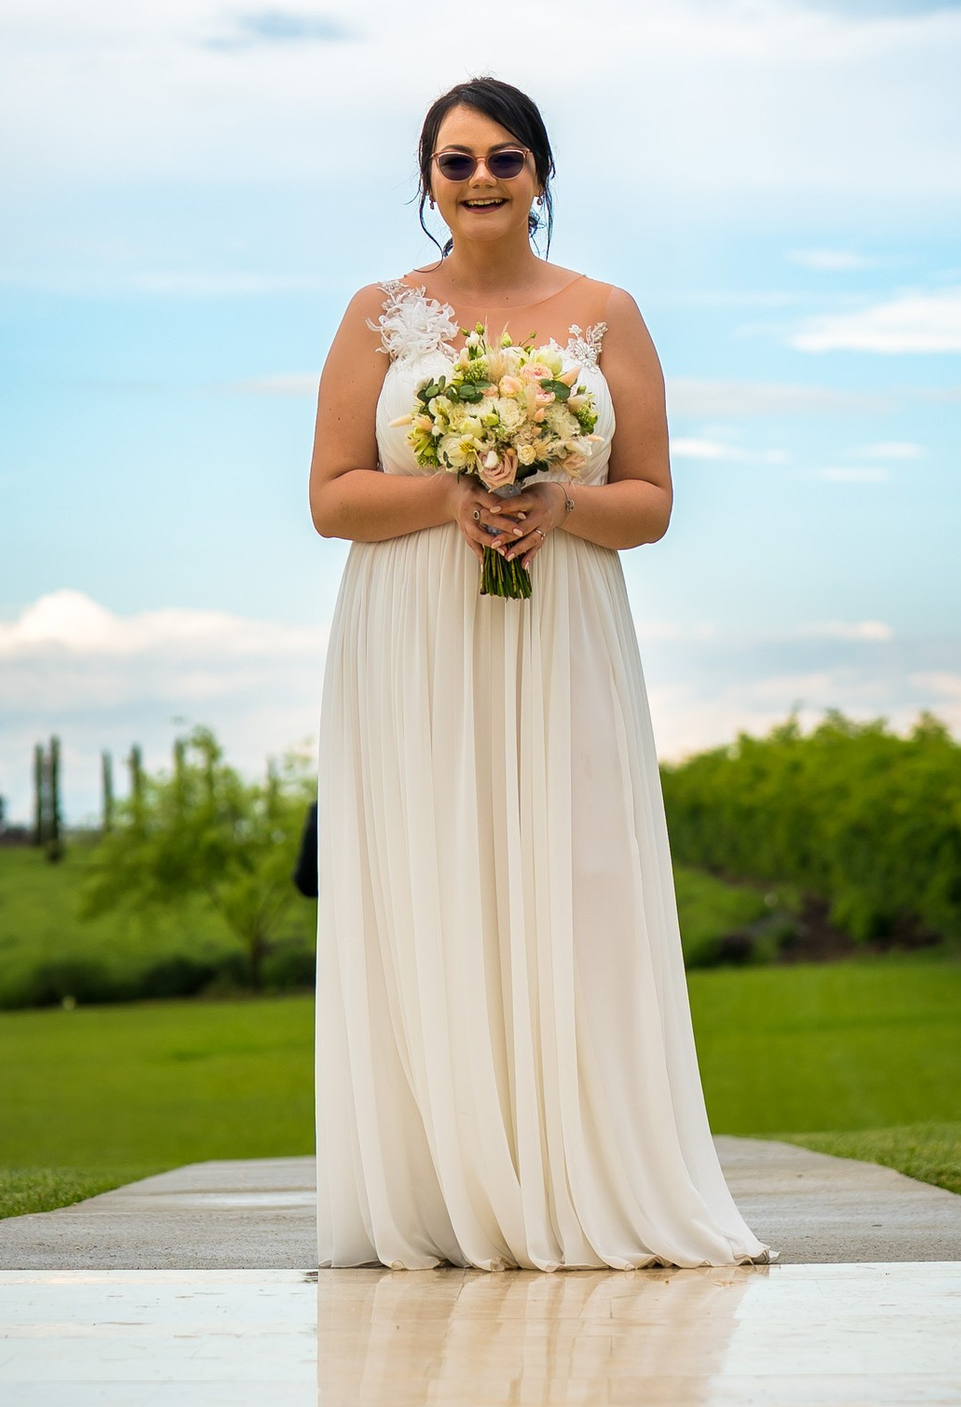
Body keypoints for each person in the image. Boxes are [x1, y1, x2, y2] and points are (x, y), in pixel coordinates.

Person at [308, 76, 765, 1270]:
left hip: (560, 622)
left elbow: (653, 501)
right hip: (414, 631)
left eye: (504, 160)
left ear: (541, 175)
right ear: (427, 181)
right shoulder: (376, 314)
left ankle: (582, 1178)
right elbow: (332, 496)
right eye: (455, 162)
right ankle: (444, 1190)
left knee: (576, 878)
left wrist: (556, 502)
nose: (479, 181)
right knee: (432, 878)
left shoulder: (605, 312)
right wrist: (451, 493)